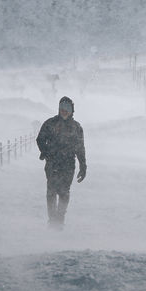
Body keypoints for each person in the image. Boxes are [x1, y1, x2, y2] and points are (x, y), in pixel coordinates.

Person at [36, 96, 86, 227]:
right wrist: (45, 151)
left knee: (64, 192)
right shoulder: (50, 123)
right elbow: (40, 139)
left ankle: (60, 218)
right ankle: (52, 219)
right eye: (62, 107)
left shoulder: (76, 127)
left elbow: (80, 148)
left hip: (68, 164)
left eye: (67, 108)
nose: (64, 110)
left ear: (72, 110)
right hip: (52, 163)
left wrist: (83, 166)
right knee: (51, 191)